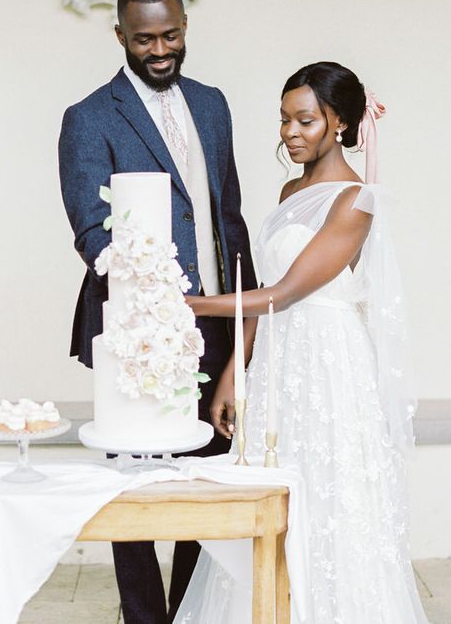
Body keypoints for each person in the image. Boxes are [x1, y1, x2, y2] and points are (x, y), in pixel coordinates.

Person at [177, 62, 430, 623]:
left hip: (330, 365)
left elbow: (285, 292)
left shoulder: (356, 201)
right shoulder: (292, 190)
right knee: (271, 496)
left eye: (306, 120)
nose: (290, 132)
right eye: (284, 119)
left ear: (339, 123)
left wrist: (188, 304)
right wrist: (231, 375)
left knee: (329, 498)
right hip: (277, 363)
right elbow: (261, 296)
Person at [58, 0, 257, 624]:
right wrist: (154, 308)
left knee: (204, 480)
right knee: (137, 487)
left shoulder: (213, 103)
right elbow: (94, 235)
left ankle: (190, 612)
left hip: (216, 322)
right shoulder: (88, 119)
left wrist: (246, 309)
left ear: (185, 26)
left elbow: (228, 217)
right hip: (136, 332)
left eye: (170, 34)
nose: (160, 48)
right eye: (144, 38)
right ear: (120, 37)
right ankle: (143, 618)